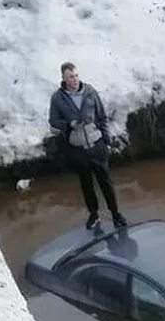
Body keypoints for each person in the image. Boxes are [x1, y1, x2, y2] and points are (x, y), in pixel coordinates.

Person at [49, 62, 127, 230]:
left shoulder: (90, 92)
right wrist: (69, 124)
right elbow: (53, 121)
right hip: (77, 149)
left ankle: (116, 214)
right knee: (86, 184)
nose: (75, 79)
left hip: (96, 145)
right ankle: (94, 215)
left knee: (105, 182)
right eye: (71, 76)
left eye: (76, 75)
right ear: (63, 78)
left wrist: (106, 141)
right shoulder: (57, 98)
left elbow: (102, 116)